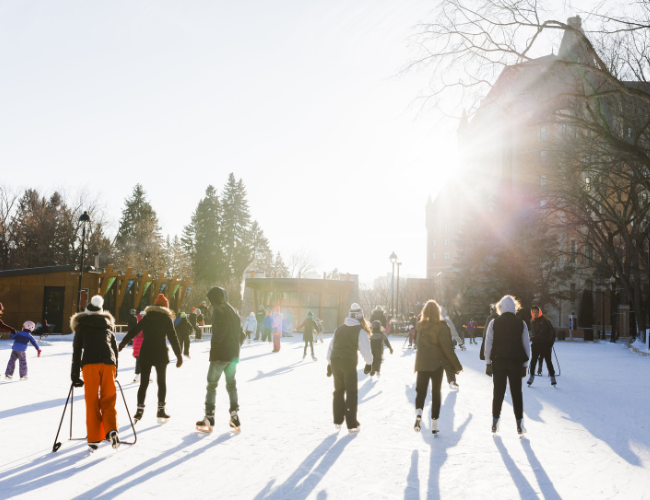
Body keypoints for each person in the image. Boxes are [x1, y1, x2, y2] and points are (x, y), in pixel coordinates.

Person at [119, 294, 183, 423]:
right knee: (161, 382)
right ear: (166, 307)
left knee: (143, 383)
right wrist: (178, 355)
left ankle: (139, 410)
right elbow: (173, 337)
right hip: (160, 353)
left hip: (146, 352)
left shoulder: (147, 318)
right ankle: (160, 410)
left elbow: (134, 331)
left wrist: (123, 343)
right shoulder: (166, 318)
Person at [70, 296, 120, 451]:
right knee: (108, 398)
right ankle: (111, 429)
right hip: (108, 363)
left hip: (90, 363)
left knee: (92, 400)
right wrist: (115, 368)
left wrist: (75, 375)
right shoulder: (108, 325)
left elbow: (77, 350)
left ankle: (94, 439)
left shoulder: (81, 325)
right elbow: (114, 348)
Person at [196, 287, 242, 432]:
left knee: (212, 385)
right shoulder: (232, 311)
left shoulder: (218, 309)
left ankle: (209, 417)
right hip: (233, 355)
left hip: (221, 354)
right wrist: (234, 348)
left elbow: (221, 330)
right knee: (231, 385)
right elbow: (241, 334)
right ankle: (234, 416)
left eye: (210, 299)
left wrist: (215, 348)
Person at [413, 301, 462, 434]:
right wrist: (456, 365)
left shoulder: (420, 325)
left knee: (421, 392)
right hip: (436, 364)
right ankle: (434, 424)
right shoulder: (442, 326)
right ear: (438, 312)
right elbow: (447, 348)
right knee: (435, 393)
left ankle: (418, 413)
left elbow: (419, 345)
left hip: (422, 363)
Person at [484, 295, 531, 436]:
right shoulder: (521, 323)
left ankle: (494, 422)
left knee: (498, 392)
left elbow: (488, 344)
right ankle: (519, 424)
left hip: (498, 361)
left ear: (501, 308)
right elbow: (526, 346)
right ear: (514, 307)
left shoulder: (494, 323)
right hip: (516, 362)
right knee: (516, 393)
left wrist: (487, 363)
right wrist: (525, 365)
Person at [326, 303, 373, 433]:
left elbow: (331, 346)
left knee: (339, 390)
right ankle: (352, 424)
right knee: (351, 392)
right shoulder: (359, 330)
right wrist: (369, 363)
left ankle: (337, 420)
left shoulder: (339, 328)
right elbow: (365, 349)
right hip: (348, 361)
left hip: (335, 360)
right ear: (360, 317)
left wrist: (329, 364)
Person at [528, 305, 557, 386]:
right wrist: (534, 339)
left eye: (536, 312)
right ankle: (531, 376)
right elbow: (535, 333)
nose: (535, 313)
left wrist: (533, 338)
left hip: (545, 344)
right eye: (534, 312)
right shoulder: (532, 321)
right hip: (536, 344)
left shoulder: (544, 321)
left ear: (539, 312)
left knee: (548, 361)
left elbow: (542, 334)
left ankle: (552, 376)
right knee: (533, 360)